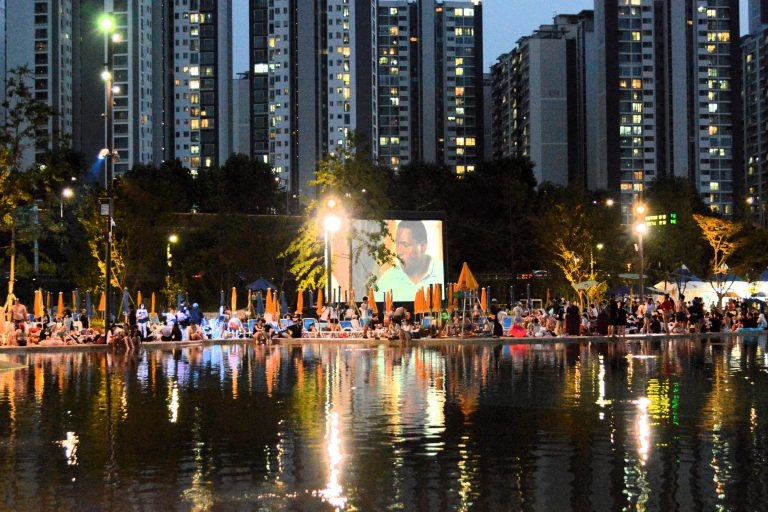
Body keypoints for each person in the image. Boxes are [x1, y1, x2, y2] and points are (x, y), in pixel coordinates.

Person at [377, 220, 443, 302]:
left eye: (405, 244)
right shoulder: (387, 280)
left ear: (423, 246)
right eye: (397, 244)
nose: (399, 251)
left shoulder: (442, 274)